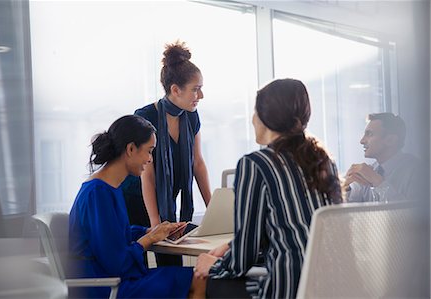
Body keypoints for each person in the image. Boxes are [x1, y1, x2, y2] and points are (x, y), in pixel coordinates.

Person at [194, 79, 342, 298]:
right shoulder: (323, 161)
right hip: (335, 285)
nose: (252, 118)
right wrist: (232, 245)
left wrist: (212, 265)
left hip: (290, 288)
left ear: (265, 118)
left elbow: (242, 259)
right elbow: (294, 227)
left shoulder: (256, 164)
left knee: (211, 282)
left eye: (255, 111)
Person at [68, 115, 206, 299]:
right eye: (149, 151)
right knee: (199, 277)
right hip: (105, 286)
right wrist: (148, 239)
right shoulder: (98, 193)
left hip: (113, 279)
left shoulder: (108, 188)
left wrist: (151, 231)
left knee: (196, 276)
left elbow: (115, 234)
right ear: (131, 149)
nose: (150, 159)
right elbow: (116, 262)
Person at [123, 40, 211, 266]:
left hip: (167, 200)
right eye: (196, 89)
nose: (200, 96)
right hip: (135, 201)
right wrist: (155, 223)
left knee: (172, 261)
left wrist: (212, 209)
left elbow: (197, 164)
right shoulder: (145, 116)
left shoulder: (191, 116)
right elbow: (147, 175)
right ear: (175, 89)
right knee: (138, 267)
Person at [344, 113, 424, 202]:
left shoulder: (418, 171)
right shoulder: (367, 172)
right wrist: (345, 190)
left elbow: (411, 213)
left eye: (369, 134)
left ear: (391, 140)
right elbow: (352, 210)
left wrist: (378, 182)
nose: (362, 141)